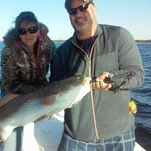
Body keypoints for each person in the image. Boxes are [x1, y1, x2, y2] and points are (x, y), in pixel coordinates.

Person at [50, 0, 145, 151]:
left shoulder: (119, 36)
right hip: (77, 137)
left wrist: (112, 79)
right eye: (72, 11)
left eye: (82, 7)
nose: (78, 14)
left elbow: (137, 74)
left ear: (94, 8)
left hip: (119, 135)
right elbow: (54, 91)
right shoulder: (61, 53)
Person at [0, 11, 56, 151]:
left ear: (38, 28)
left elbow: (57, 70)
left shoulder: (48, 45)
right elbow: (10, 83)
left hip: (39, 86)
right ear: (17, 33)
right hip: (14, 90)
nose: (28, 34)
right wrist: (35, 94)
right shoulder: (9, 51)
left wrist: (51, 90)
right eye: (23, 31)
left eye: (32, 29)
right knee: (13, 120)